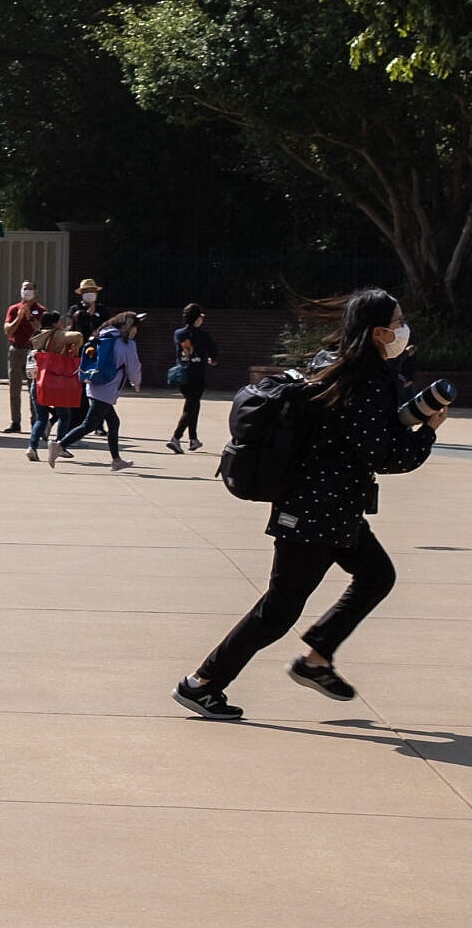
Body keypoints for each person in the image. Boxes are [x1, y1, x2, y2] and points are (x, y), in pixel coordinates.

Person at [176, 290, 443, 721]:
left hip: (331, 508)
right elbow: (384, 455)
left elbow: (361, 437)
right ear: (378, 332)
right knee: (279, 610)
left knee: (376, 576)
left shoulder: (336, 363)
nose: (403, 328)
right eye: (398, 321)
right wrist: (426, 431)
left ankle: (316, 659)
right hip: (315, 512)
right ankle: (202, 683)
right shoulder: (362, 380)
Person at [49, 310, 139, 470]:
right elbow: (133, 367)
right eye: (136, 327)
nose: (136, 331)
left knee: (114, 423)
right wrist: (136, 382)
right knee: (89, 425)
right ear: (130, 327)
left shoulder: (103, 335)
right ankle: (59, 445)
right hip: (107, 388)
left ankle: (117, 460)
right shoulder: (126, 343)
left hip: (94, 383)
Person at [26, 309, 86, 461]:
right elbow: (78, 336)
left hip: (39, 380)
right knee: (64, 415)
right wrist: (74, 345)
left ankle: (32, 447)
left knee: (41, 418)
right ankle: (60, 445)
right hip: (56, 382)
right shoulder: (58, 335)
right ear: (55, 323)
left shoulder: (37, 335)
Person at [169, 303, 219, 452]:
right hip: (197, 375)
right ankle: (176, 437)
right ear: (197, 319)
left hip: (182, 374)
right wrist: (212, 360)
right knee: (191, 407)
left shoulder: (178, 333)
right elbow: (214, 353)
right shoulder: (203, 335)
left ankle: (193, 439)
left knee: (193, 405)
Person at [2, 281, 42, 434]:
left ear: (35, 292)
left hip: (32, 352)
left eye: (30, 288)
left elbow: (40, 329)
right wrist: (19, 317)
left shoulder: (40, 310)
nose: (27, 291)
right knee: (14, 388)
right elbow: (8, 330)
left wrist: (29, 316)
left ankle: (36, 422)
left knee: (33, 389)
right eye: (25, 288)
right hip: (16, 350)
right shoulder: (13, 309)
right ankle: (15, 422)